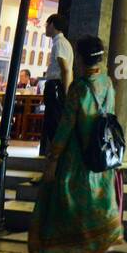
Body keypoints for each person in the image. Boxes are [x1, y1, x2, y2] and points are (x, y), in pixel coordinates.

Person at [28, 35, 123, 253]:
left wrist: (52, 158)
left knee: (67, 213)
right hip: (101, 160)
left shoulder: (79, 88)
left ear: (80, 58)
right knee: (96, 208)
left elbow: (65, 127)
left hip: (76, 161)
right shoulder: (107, 83)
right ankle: (102, 246)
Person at [39, 15, 73, 157]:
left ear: (52, 25)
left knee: (53, 124)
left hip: (56, 87)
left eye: (47, 24)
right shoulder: (62, 43)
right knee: (53, 123)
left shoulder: (59, 43)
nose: (46, 27)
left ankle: (55, 163)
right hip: (57, 86)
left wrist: (66, 92)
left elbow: (65, 69)